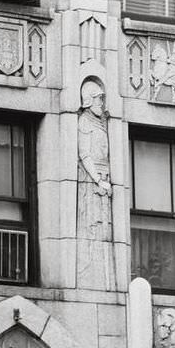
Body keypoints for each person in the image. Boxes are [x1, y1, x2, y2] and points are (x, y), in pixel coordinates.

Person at [77, 79, 111, 241]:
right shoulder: (84, 121)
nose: (101, 103)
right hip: (92, 178)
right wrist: (98, 179)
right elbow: (84, 154)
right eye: (98, 99)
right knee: (92, 225)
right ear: (89, 100)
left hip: (104, 175)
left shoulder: (100, 122)